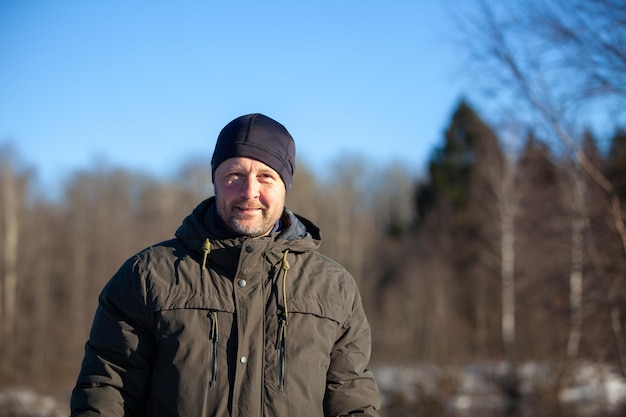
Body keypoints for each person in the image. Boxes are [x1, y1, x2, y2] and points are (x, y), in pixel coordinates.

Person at [70, 113, 382, 416]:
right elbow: (107, 391)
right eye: (234, 175)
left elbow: (351, 400)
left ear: (285, 185)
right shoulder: (148, 276)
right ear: (215, 180)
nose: (250, 192)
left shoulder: (333, 287)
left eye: (265, 176)